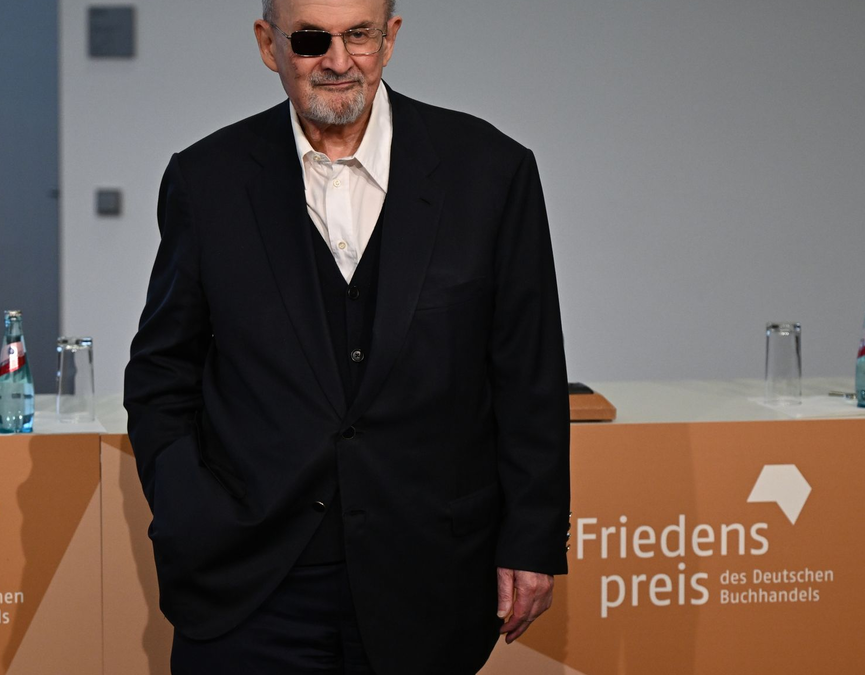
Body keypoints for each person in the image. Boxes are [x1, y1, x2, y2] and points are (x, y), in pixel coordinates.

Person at [124, 0, 570, 672]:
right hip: (250, 581)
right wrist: (191, 510)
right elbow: (163, 373)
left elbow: (528, 376)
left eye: (358, 34)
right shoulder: (206, 179)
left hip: (429, 578)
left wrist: (532, 539)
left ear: (389, 38)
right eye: (310, 39)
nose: (338, 61)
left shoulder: (491, 172)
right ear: (268, 45)